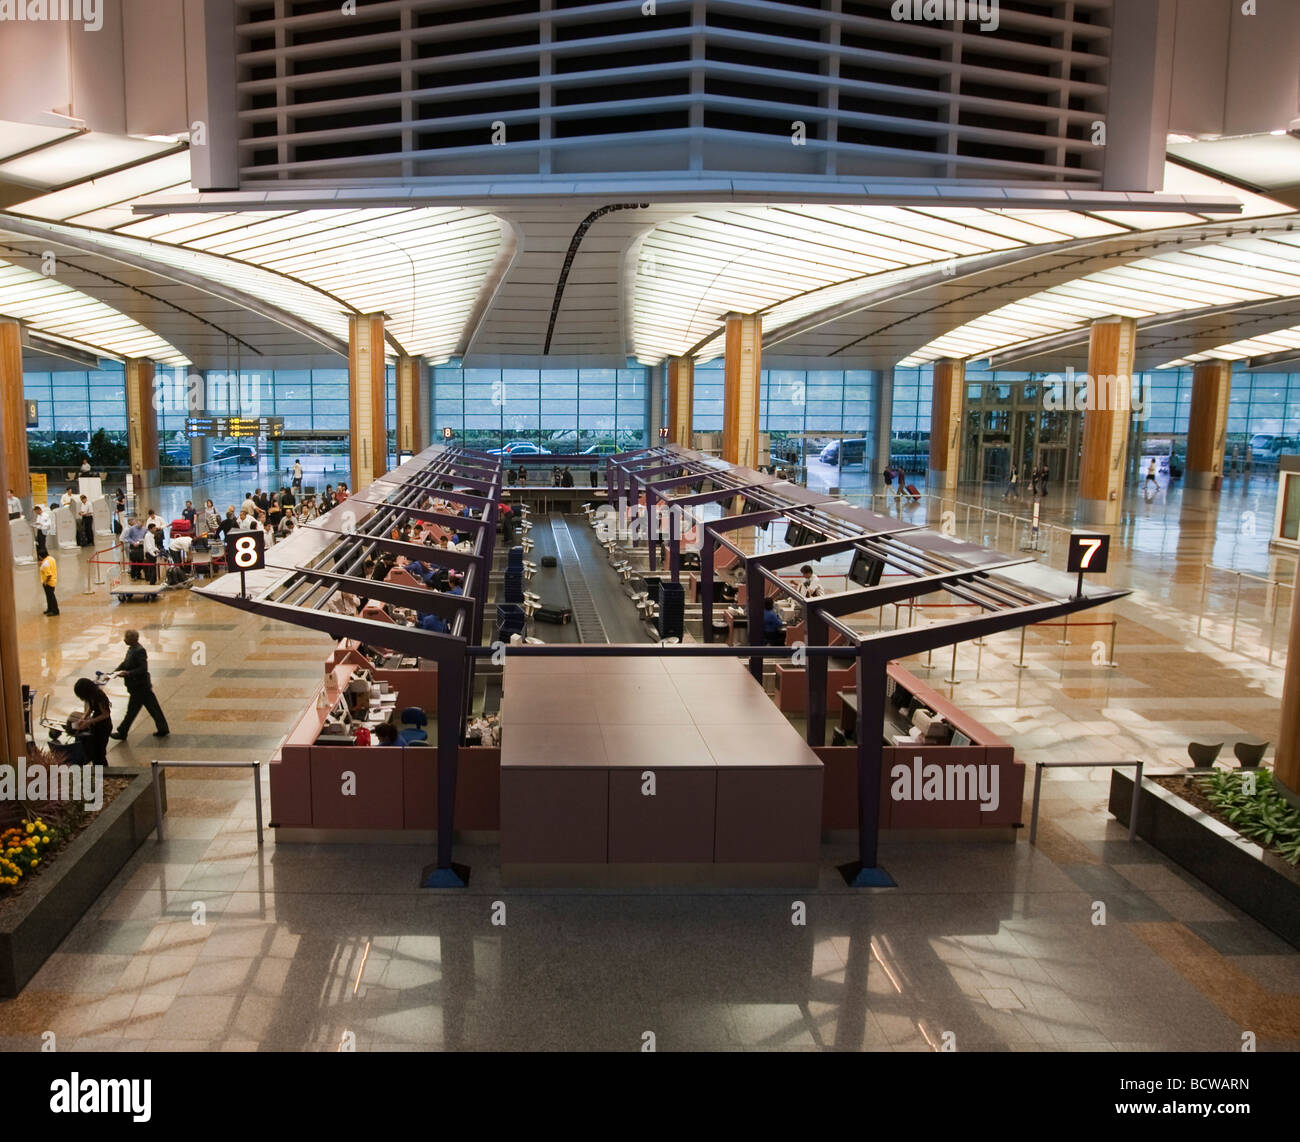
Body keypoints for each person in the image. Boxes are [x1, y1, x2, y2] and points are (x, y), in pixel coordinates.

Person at [109, 630, 169, 740]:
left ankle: (123, 731)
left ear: (132, 639)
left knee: (132, 710)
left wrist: (128, 673)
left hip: (140, 686)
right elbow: (125, 663)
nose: (124, 640)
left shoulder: (139, 651)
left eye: (126, 638)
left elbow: (143, 668)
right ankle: (163, 728)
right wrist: (115, 672)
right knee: (152, 708)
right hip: (139, 686)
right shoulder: (132, 649)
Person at [69, 677, 112, 767]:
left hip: (104, 726)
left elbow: (105, 714)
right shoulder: (90, 696)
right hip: (95, 725)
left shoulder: (100, 696)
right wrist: (83, 717)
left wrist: (90, 721)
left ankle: (104, 770)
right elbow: (90, 708)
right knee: (94, 751)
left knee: (99, 753)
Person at [39, 550, 58, 616]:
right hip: (54, 580)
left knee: (51, 597)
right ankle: (49, 609)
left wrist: (45, 582)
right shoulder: (51, 559)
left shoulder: (45, 564)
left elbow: (48, 575)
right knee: (49, 596)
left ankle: (55, 611)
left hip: (48, 583)